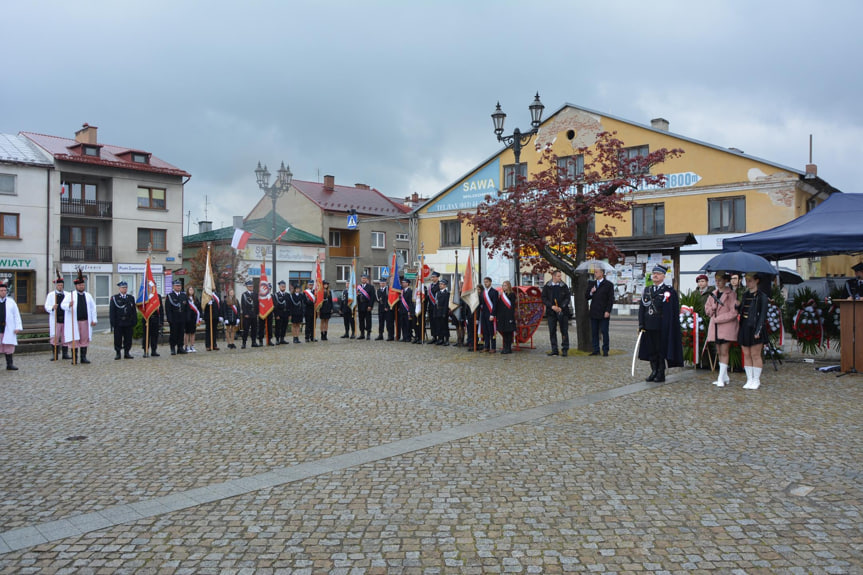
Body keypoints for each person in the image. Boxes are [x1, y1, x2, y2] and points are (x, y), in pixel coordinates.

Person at [637, 264, 684, 382]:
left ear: (663, 276)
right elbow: (642, 308)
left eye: (658, 274)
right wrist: (641, 324)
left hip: (661, 326)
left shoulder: (668, 291)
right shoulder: (648, 290)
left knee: (660, 350)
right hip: (648, 325)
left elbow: (671, 311)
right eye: (654, 274)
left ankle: (660, 372)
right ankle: (653, 370)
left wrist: (668, 326)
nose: (655, 276)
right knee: (651, 350)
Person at [705, 271, 739, 387]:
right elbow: (707, 309)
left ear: (725, 280)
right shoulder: (713, 294)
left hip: (726, 326)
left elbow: (733, 312)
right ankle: (724, 376)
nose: (718, 283)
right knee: (719, 351)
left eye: (720, 280)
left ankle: (721, 377)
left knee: (724, 351)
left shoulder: (731, 294)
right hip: (715, 327)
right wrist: (712, 309)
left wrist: (719, 319)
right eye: (716, 280)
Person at [738, 272, 769, 390]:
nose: (748, 282)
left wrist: (758, 330)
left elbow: (762, 315)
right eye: (746, 280)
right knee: (746, 354)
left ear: (757, 281)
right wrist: (737, 306)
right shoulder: (745, 295)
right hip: (745, 326)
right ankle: (749, 379)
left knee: (755, 354)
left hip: (756, 326)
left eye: (750, 280)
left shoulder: (762, 296)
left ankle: (756, 379)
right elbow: (742, 310)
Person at [61, 275, 98, 364]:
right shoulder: (70, 295)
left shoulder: (88, 295)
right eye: (79, 285)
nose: (81, 286)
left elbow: (93, 308)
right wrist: (69, 305)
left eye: (82, 285)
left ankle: (83, 357)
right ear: (76, 286)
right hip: (74, 322)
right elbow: (62, 305)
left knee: (84, 339)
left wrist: (94, 319)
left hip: (85, 321)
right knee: (75, 339)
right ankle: (74, 358)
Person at [541, 270, 572, 357]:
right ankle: (554, 350)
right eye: (558, 276)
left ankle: (565, 349)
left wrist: (561, 307)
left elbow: (567, 297)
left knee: (564, 330)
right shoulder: (547, 286)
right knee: (552, 331)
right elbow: (544, 298)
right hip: (551, 312)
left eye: (560, 276)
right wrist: (551, 306)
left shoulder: (564, 286)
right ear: (554, 277)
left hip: (562, 311)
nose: (560, 278)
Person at [586, 268, 615, 356]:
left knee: (604, 331)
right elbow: (586, 296)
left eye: (596, 272)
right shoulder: (592, 283)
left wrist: (608, 311)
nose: (595, 274)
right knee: (594, 332)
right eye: (594, 272)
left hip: (603, 312)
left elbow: (610, 299)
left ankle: (605, 349)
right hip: (594, 311)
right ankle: (596, 349)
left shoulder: (608, 285)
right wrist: (591, 292)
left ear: (602, 273)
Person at [109, 280, 137, 359]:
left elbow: (133, 311)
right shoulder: (114, 298)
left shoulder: (131, 298)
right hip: (119, 322)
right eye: (123, 288)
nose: (124, 289)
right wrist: (113, 322)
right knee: (118, 338)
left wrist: (134, 320)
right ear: (119, 289)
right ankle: (118, 353)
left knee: (128, 338)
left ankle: (127, 352)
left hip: (128, 322)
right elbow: (112, 311)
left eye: (126, 287)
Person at [44, 277, 70, 361]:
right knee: (55, 336)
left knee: (65, 336)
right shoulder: (51, 295)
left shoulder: (67, 294)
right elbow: (46, 306)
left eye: (61, 285)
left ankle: (65, 353)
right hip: (55, 319)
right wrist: (52, 307)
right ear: (56, 286)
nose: (60, 287)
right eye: (59, 285)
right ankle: (55, 354)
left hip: (65, 318)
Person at [0, 281, 23, 370]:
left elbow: (16, 315)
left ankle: (9, 364)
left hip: (8, 327)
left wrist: (18, 327)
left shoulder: (11, 302)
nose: (3, 292)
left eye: (4, 290)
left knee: (9, 346)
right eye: (1, 290)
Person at [165, 279, 188, 355]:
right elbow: (168, 309)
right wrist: (169, 319)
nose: (178, 287)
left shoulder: (183, 295)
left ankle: (180, 347)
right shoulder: (170, 296)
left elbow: (187, 308)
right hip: (174, 319)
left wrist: (187, 318)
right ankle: (172, 348)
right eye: (177, 286)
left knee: (181, 333)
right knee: (173, 334)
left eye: (179, 286)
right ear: (173, 286)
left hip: (182, 318)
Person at [497, 280, 518, 355]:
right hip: (502, 316)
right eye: (503, 285)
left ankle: (508, 348)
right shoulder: (502, 295)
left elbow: (512, 306)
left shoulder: (512, 294)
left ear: (508, 286)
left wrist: (511, 316)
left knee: (509, 332)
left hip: (509, 316)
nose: (504, 287)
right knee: (504, 332)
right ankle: (505, 347)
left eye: (505, 285)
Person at [480, 276, 499, 352]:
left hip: (490, 314)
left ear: (490, 282)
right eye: (484, 282)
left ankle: (493, 347)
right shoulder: (483, 292)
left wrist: (492, 314)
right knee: (485, 331)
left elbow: (495, 304)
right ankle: (486, 346)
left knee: (491, 331)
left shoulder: (494, 292)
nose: (485, 283)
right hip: (483, 314)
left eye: (487, 282)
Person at [356, 274, 376, 340]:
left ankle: (368, 334)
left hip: (367, 306)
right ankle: (362, 333)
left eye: (365, 278)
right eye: (362, 278)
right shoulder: (358, 287)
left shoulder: (370, 287)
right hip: (360, 306)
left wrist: (370, 305)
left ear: (367, 279)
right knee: (361, 320)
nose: (363, 280)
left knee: (368, 320)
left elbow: (372, 297)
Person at [240, 279, 258, 348]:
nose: (251, 287)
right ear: (247, 287)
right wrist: (245, 314)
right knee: (246, 329)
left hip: (254, 314)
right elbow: (243, 305)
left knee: (254, 329)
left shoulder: (255, 294)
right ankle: (244, 343)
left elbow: (257, 304)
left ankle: (254, 342)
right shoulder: (244, 295)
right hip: (247, 314)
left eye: (252, 286)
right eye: (250, 286)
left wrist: (257, 313)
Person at [434, 277, 450, 345]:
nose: (440, 285)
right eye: (440, 284)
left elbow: (446, 304)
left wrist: (444, 313)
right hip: (438, 311)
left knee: (444, 326)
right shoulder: (437, 293)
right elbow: (435, 303)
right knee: (439, 326)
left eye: (442, 284)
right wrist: (435, 312)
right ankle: (441, 338)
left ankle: (446, 339)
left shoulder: (447, 293)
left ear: (445, 285)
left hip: (443, 311)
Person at [184, 285, 201, 352]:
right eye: (190, 290)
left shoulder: (195, 299)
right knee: (187, 332)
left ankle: (192, 346)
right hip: (187, 318)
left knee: (193, 332)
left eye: (192, 290)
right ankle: (186, 346)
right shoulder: (185, 298)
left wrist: (200, 317)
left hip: (194, 317)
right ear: (188, 291)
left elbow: (199, 308)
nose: (191, 291)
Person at [258, 281, 274, 346]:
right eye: (268, 289)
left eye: (269, 289)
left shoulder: (272, 296)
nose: (269, 290)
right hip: (262, 312)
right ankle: (260, 340)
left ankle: (269, 340)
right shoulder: (260, 296)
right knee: (261, 327)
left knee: (269, 327)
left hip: (269, 313)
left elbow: (274, 305)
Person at [426, 271, 441, 344]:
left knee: (438, 323)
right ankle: (434, 336)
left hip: (437, 307)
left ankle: (439, 337)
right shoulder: (430, 286)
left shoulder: (440, 285)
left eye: (434, 277)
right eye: (432, 277)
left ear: (438, 277)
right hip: (431, 307)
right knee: (432, 322)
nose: (432, 278)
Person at [398, 278, 413, 342]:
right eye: (402, 283)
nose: (403, 284)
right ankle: (404, 337)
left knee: (408, 324)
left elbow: (410, 302)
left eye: (404, 283)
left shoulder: (410, 291)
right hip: (402, 310)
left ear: (407, 284)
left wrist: (410, 310)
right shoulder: (401, 291)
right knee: (403, 324)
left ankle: (408, 337)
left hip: (407, 310)